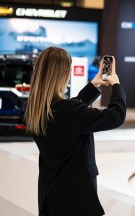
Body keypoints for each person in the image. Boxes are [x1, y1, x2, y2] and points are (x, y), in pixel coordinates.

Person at [25, 47, 126, 216]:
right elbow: (116, 116)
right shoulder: (68, 112)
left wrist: (94, 84)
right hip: (76, 197)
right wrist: (116, 84)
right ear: (63, 75)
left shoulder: (36, 108)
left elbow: (71, 112)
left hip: (51, 194)